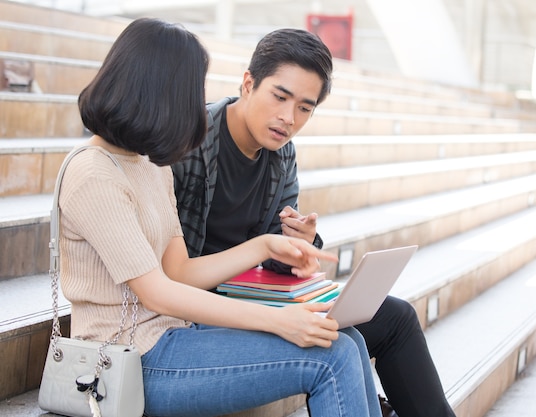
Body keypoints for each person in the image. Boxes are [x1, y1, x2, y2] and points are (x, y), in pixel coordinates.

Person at [60, 18, 383, 417]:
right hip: (128, 360)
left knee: (346, 337)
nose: (197, 104)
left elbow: (180, 272)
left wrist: (266, 244)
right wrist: (276, 320)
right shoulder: (93, 174)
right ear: (157, 91)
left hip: (174, 336)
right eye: (192, 90)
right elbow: (157, 292)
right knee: (330, 355)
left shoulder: (150, 166)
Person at [173, 28, 458, 417]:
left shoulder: (281, 154)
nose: (288, 118)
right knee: (339, 348)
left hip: (255, 295)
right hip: (202, 307)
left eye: (305, 108)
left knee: (395, 318)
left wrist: (299, 248)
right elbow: (170, 273)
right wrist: (267, 251)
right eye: (280, 96)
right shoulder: (190, 142)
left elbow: (273, 255)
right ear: (248, 83)